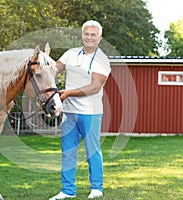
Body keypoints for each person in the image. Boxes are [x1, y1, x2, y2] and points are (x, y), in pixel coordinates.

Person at [49, 20, 111, 200]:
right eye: (86, 34)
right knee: (67, 152)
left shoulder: (102, 59)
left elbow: (94, 87)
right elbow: (53, 70)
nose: (89, 37)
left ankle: (96, 188)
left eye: (93, 35)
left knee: (93, 150)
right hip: (68, 113)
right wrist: (42, 62)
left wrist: (68, 93)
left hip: (90, 113)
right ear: (82, 35)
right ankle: (67, 190)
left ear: (100, 38)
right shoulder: (70, 54)